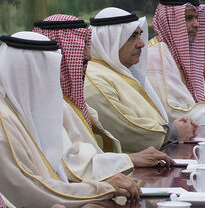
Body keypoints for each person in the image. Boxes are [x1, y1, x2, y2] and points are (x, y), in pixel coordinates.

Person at [0, 32, 134, 205]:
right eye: (53, 72)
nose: (62, 78)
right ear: (31, 75)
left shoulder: (16, 110)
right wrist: (102, 189)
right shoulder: (3, 120)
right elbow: (28, 189)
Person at [34, 14, 173, 180]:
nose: (88, 55)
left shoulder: (65, 101)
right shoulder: (47, 105)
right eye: (81, 45)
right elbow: (71, 164)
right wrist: (128, 160)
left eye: (87, 44)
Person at [84, 7, 197, 152]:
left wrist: (170, 126)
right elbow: (124, 130)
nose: (141, 43)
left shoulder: (116, 72)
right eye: (132, 37)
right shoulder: (94, 80)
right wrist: (173, 132)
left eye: (139, 35)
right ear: (110, 41)